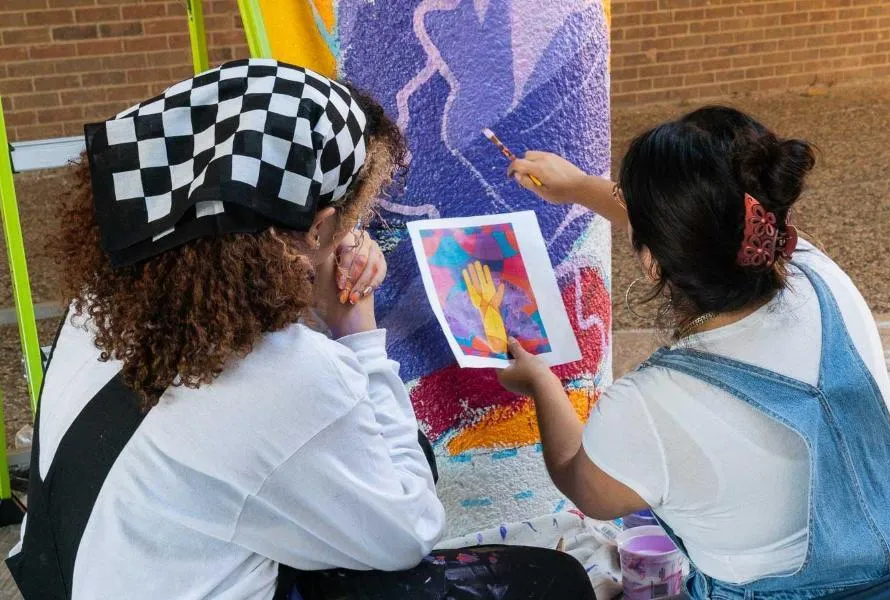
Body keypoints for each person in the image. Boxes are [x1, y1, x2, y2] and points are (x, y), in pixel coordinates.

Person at [7, 58, 593, 600]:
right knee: (553, 578)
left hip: (80, 577)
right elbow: (406, 527)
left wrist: (303, 288)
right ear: (318, 228)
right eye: (358, 218)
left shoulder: (107, 301)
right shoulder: (288, 378)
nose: (361, 233)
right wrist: (357, 334)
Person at [503, 106, 890, 599]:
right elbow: (707, 225)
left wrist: (542, 381)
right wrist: (581, 185)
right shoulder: (819, 275)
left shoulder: (649, 403)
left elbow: (583, 484)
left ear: (650, 263)